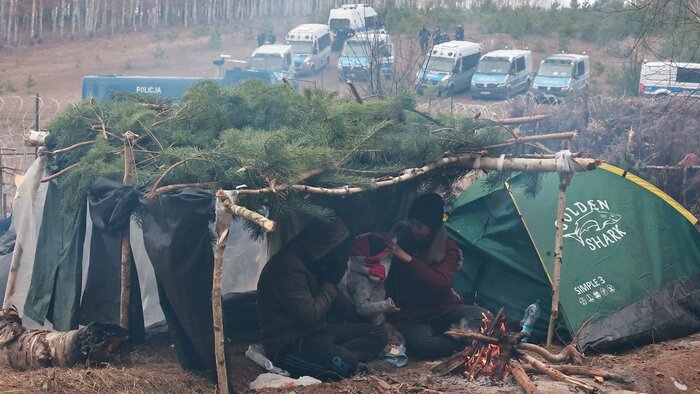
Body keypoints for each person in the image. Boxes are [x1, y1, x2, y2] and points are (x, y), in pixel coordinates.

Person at [256, 218, 389, 380]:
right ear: (322, 245)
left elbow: (332, 298)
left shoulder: (313, 260)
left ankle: (332, 354)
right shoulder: (288, 267)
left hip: (318, 332)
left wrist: (357, 319)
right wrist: (331, 283)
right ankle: (340, 359)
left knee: (378, 334)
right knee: (345, 363)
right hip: (289, 342)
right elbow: (310, 316)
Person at [384, 193, 491, 360]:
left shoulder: (448, 248)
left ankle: (458, 337)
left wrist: (409, 260)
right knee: (423, 344)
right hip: (412, 316)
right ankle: (460, 343)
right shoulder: (402, 240)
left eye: (419, 225)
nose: (414, 229)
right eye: (412, 224)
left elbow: (440, 283)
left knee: (485, 317)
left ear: (433, 226)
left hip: (443, 309)